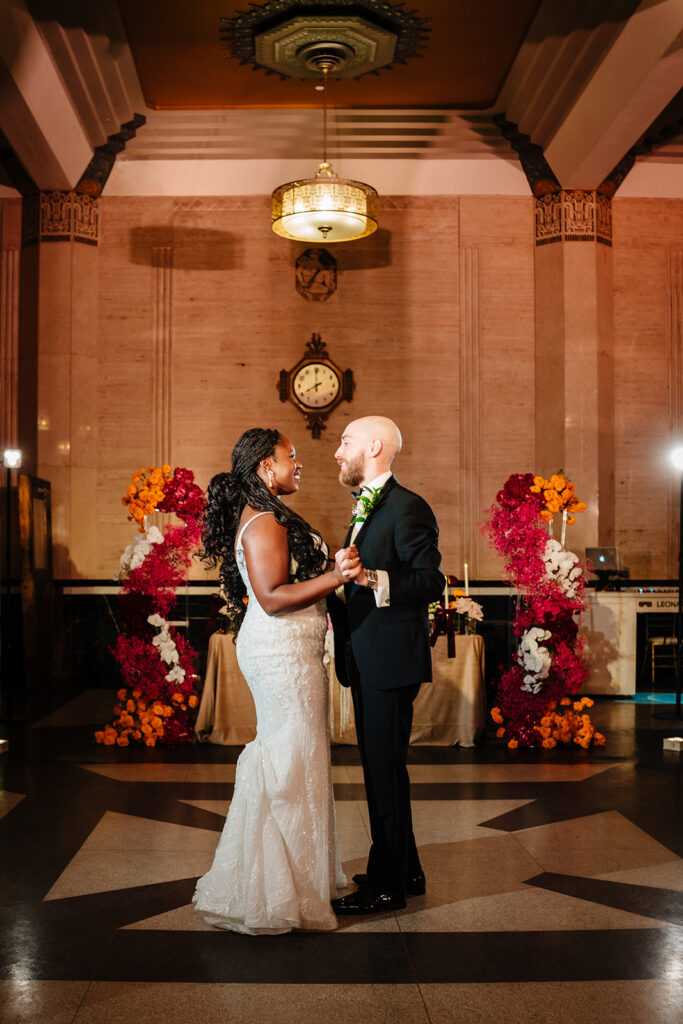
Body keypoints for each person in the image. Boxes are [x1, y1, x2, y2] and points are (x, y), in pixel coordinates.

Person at [193, 427, 358, 934]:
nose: (299, 464)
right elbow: (270, 596)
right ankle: (272, 890)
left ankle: (300, 878)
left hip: (292, 648)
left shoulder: (269, 514)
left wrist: (328, 569)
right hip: (280, 651)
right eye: (292, 457)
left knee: (299, 758)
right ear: (267, 466)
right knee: (289, 762)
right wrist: (337, 578)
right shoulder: (263, 520)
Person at [328, 416, 444, 914]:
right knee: (385, 769)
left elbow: (430, 582)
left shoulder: (408, 506)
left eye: (345, 441)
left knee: (382, 772)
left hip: (390, 660)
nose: (337, 451)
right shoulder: (367, 507)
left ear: (373, 446)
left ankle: (386, 885)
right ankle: (406, 868)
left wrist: (372, 576)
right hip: (368, 656)